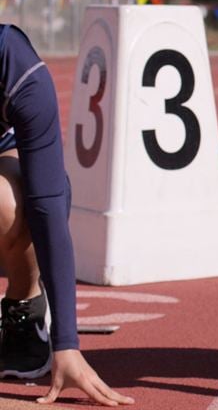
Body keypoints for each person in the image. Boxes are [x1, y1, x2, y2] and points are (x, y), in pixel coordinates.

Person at [0, 24, 133, 406]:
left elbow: (47, 201)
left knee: (8, 202)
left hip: (5, 178)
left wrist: (67, 345)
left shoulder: (14, 63)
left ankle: (24, 308)